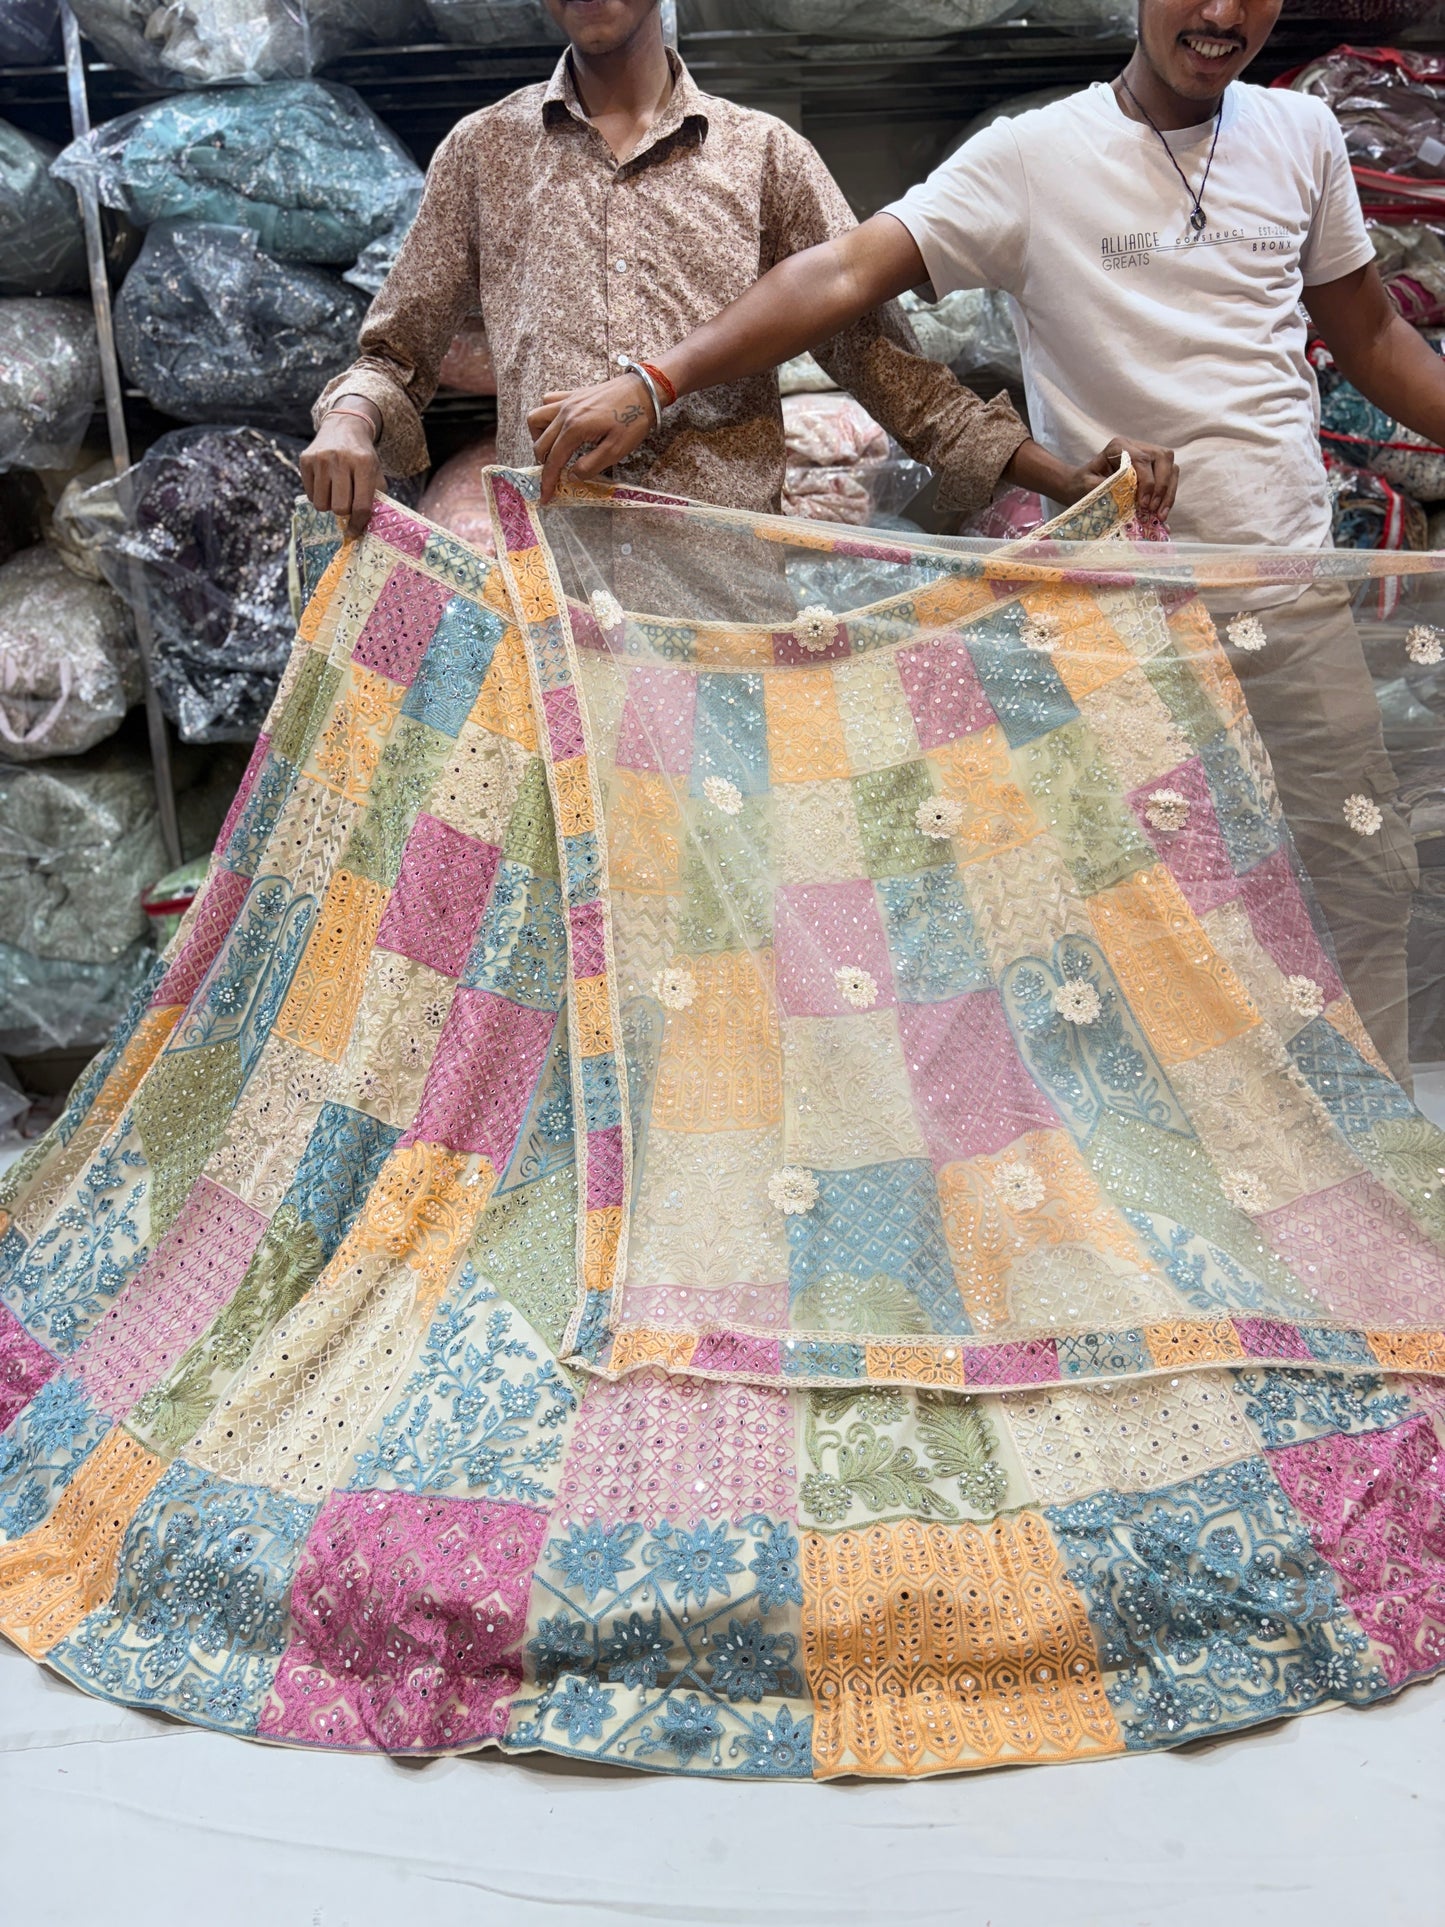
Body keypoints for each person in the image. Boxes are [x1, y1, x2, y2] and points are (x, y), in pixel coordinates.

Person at [531, 0, 1445, 1084]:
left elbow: (1372, 337)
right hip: (1119, 619)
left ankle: (1369, 1146)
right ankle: (1187, 1178)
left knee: (1354, 874)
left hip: (1286, 592)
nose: (1216, 15)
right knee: (1141, 909)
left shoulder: (1302, 138)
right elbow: (837, 276)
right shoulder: (1031, 157)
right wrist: (654, 382)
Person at [300, 0, 1160, 542]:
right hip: (552, 594)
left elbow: (901, 380)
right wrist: (347, 421)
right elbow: (392, 360)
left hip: (724, 599)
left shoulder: (762, 159)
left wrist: (1069, 479)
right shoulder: (482, 154)